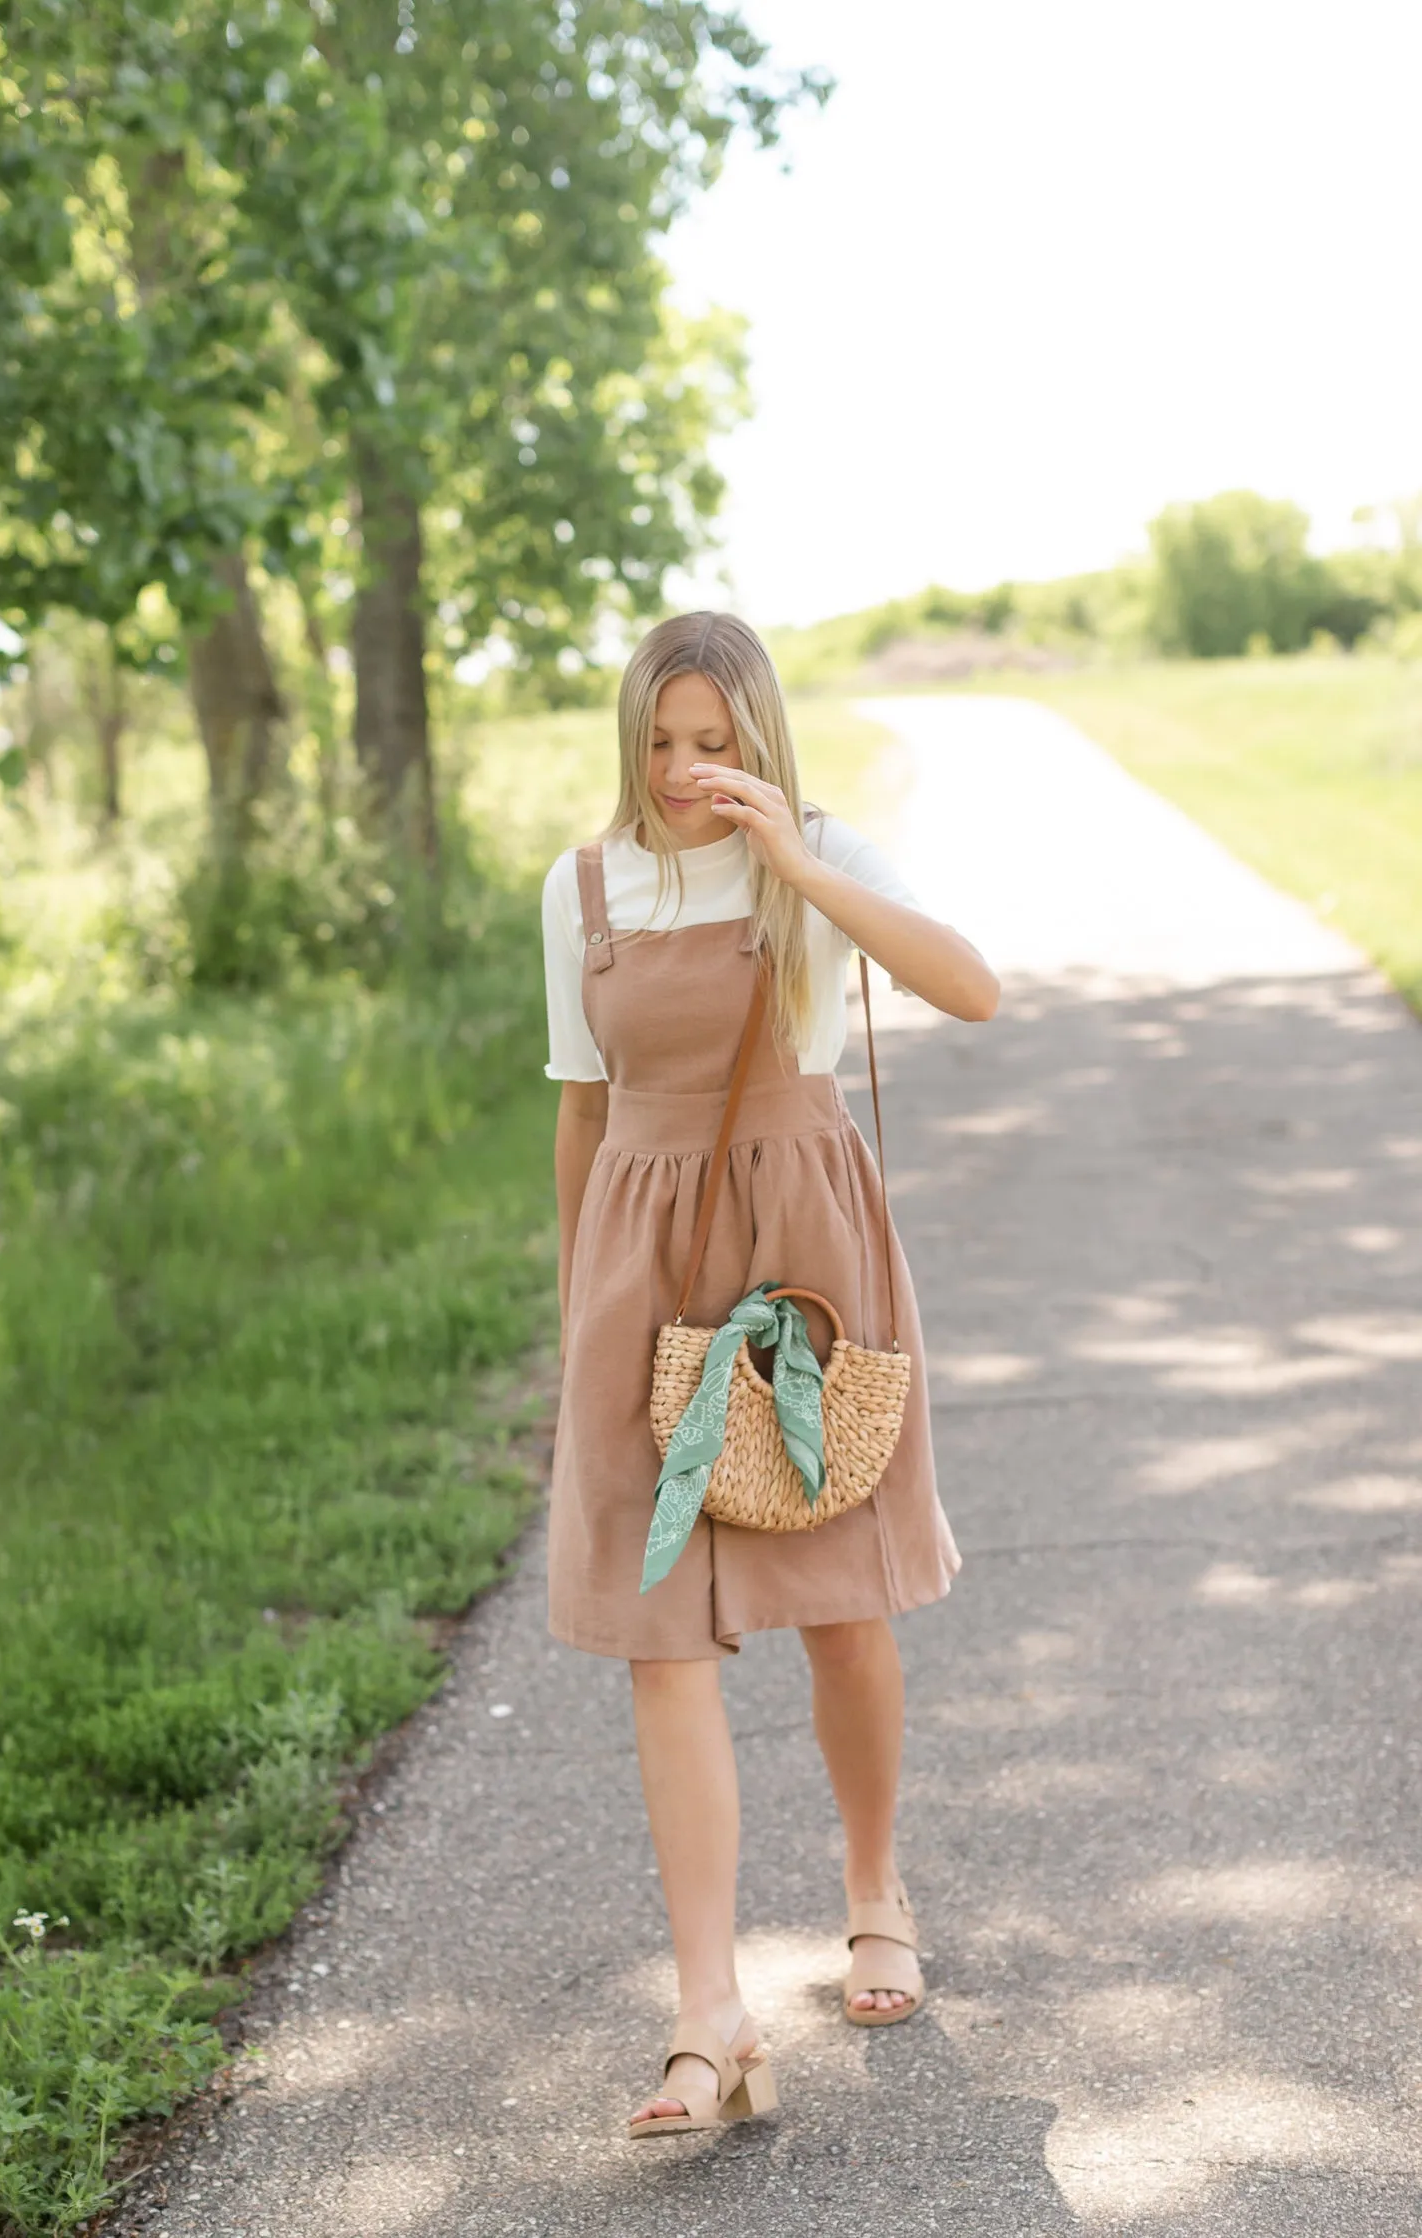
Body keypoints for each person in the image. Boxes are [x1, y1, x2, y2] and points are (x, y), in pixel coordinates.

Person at [542, 611, 999, 2138]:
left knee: (842, 1610)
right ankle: (708, 2010)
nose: (683, 770)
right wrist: (574, 1317)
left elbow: (973, 987)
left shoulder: (817, 844)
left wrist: (797, 869)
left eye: (713, 743)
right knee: (661, 1637)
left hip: (803, 1255)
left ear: (758, 739)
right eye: (659, 741)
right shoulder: (583, 884)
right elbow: (579, 1114)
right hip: (640, 1270)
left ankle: (873, 1882)